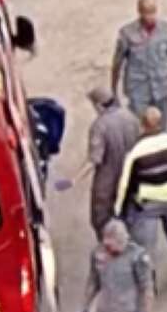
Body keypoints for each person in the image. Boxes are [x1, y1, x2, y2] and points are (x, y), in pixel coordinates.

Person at [115, 106, 167, 283]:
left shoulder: (136, 152)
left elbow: (125, 184)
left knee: (146, 247)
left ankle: (149, 284)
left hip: (146, 204)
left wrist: (120, 211)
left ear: (144, 124)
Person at [53, 87, 141, 238]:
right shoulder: (131, 118)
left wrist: (73, 180)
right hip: (131, 175)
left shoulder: (100, 126)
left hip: (108, 180)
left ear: (99, 105)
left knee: (101, 218)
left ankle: (109, 247)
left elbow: (94, 160)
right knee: (129, 211)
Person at [110, 0, 167, 129]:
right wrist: (114, 90)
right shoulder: (127, 33)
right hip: (138, 88)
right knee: (139, 127)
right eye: (146, 12)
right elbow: (117, 63)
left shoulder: (166, 30)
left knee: (164, 126)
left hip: (163, 86)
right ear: (139, 12)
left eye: (153, 12)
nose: (150, 17)